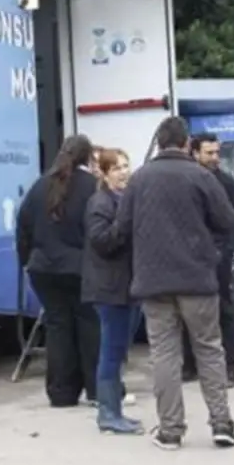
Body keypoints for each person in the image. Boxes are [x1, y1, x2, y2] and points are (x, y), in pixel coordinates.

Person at [115, 116, 234, 450]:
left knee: (165, 355)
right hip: (197, 279)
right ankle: (221, 424)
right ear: (186, 144)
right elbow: (228, 220)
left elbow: (121, 228)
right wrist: (209, 249)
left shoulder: (139, 179)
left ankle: (170, 430)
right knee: (210, 349)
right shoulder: (201, 176)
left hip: (154, 282)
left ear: (158, 143)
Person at [15, 134, 100, 407]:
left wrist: (26, 260)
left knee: (57, 327)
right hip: (78, 267)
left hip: (42, 269)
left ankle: (61, 392)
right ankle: (98, 389)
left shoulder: (39, 185)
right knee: (89, 326)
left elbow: (22, 225)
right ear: (88, 158)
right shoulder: (91, 186)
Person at [81, 148, 144, 434]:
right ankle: (107, 412)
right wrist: (124, 224)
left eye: (126, 166)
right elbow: (102, 241)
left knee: (119, 352)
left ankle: (115, 409)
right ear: (104, 173)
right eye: (117, 168)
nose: (123, 172)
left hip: (127, 288)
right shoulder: (100, 203)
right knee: (111, 352)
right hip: (109, 290)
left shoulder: (122, 200)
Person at [181, 133, 234, 387]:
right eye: (209, 153)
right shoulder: (185, 181)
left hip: (217, 260)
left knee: (223, 311)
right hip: (188, 259)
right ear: (195, 153)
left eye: (217, 152)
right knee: (186, 312)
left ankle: (229, 367)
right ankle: (190, 365)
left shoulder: (226, 184)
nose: (214, 158)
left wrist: (226, 252)